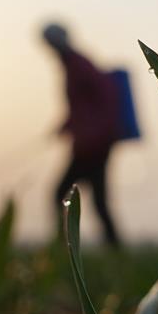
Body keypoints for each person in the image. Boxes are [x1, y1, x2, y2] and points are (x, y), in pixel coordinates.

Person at [42, 22, 121, 246]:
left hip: (92, 146)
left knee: (61, 194)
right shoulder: (72, 65)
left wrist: (94, 134)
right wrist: (66, 126)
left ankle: (63, 245)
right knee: (99, 201)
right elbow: (81, 106)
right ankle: (114, 247)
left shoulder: (79, 65)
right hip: (91, 143)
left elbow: (103, 100)